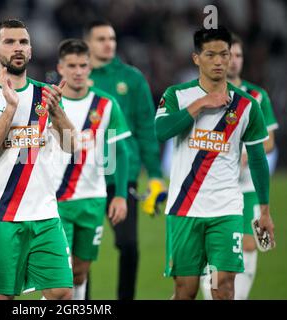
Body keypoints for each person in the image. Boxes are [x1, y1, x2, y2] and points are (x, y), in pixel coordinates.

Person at [155, 26, 275, 300]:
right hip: (184, 207)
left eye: (225, 54)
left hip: (226, 209)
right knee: (184, 291)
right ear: (196, 58)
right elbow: (161, 131)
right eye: (211, 54)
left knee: (224, 290)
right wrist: (200, 105)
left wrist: (264, 211)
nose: (221, 61)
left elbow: (257, 159)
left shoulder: (247, 105)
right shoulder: (177, 95)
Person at [0, 19, 77, 300]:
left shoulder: (45, 94)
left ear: (31, 50)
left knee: (62, 292)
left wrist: (57, 113)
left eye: (23, 42)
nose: (18, 48)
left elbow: (71, 145)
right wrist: (10, 108)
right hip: (0, 215)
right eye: (9, 42)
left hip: (44, 214)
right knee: (2, 297)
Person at [83, 20, 165, 300]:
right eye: (101, 38)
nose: (109, 43)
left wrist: (154, 174)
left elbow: (146, 127)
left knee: (128, 245)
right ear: (88, 43)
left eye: (112, 38)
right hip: (83, 177)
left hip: (122, 174)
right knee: (80, 250)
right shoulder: (76, 78)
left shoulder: (132, 78)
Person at [199, 33, 279, 300]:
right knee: (211, 246)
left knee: (251, 243)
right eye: (227, 55)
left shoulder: (257, 95)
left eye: (238, 55)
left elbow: (269, 142)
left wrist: (246, 153)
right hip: (213, 187)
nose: (233, 61)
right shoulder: (202, 96)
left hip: (247, 186)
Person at [54, 39, 131, 300]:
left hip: (92, 200)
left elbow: (119, 152)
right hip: (55, 201)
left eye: (83, 65)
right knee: (59, 278)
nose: (77, 71)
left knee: (80, 273)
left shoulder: (106, 105)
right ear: (60, 68)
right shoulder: (49, 104)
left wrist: (120, 194)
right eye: (71, 65)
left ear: (90, 68)